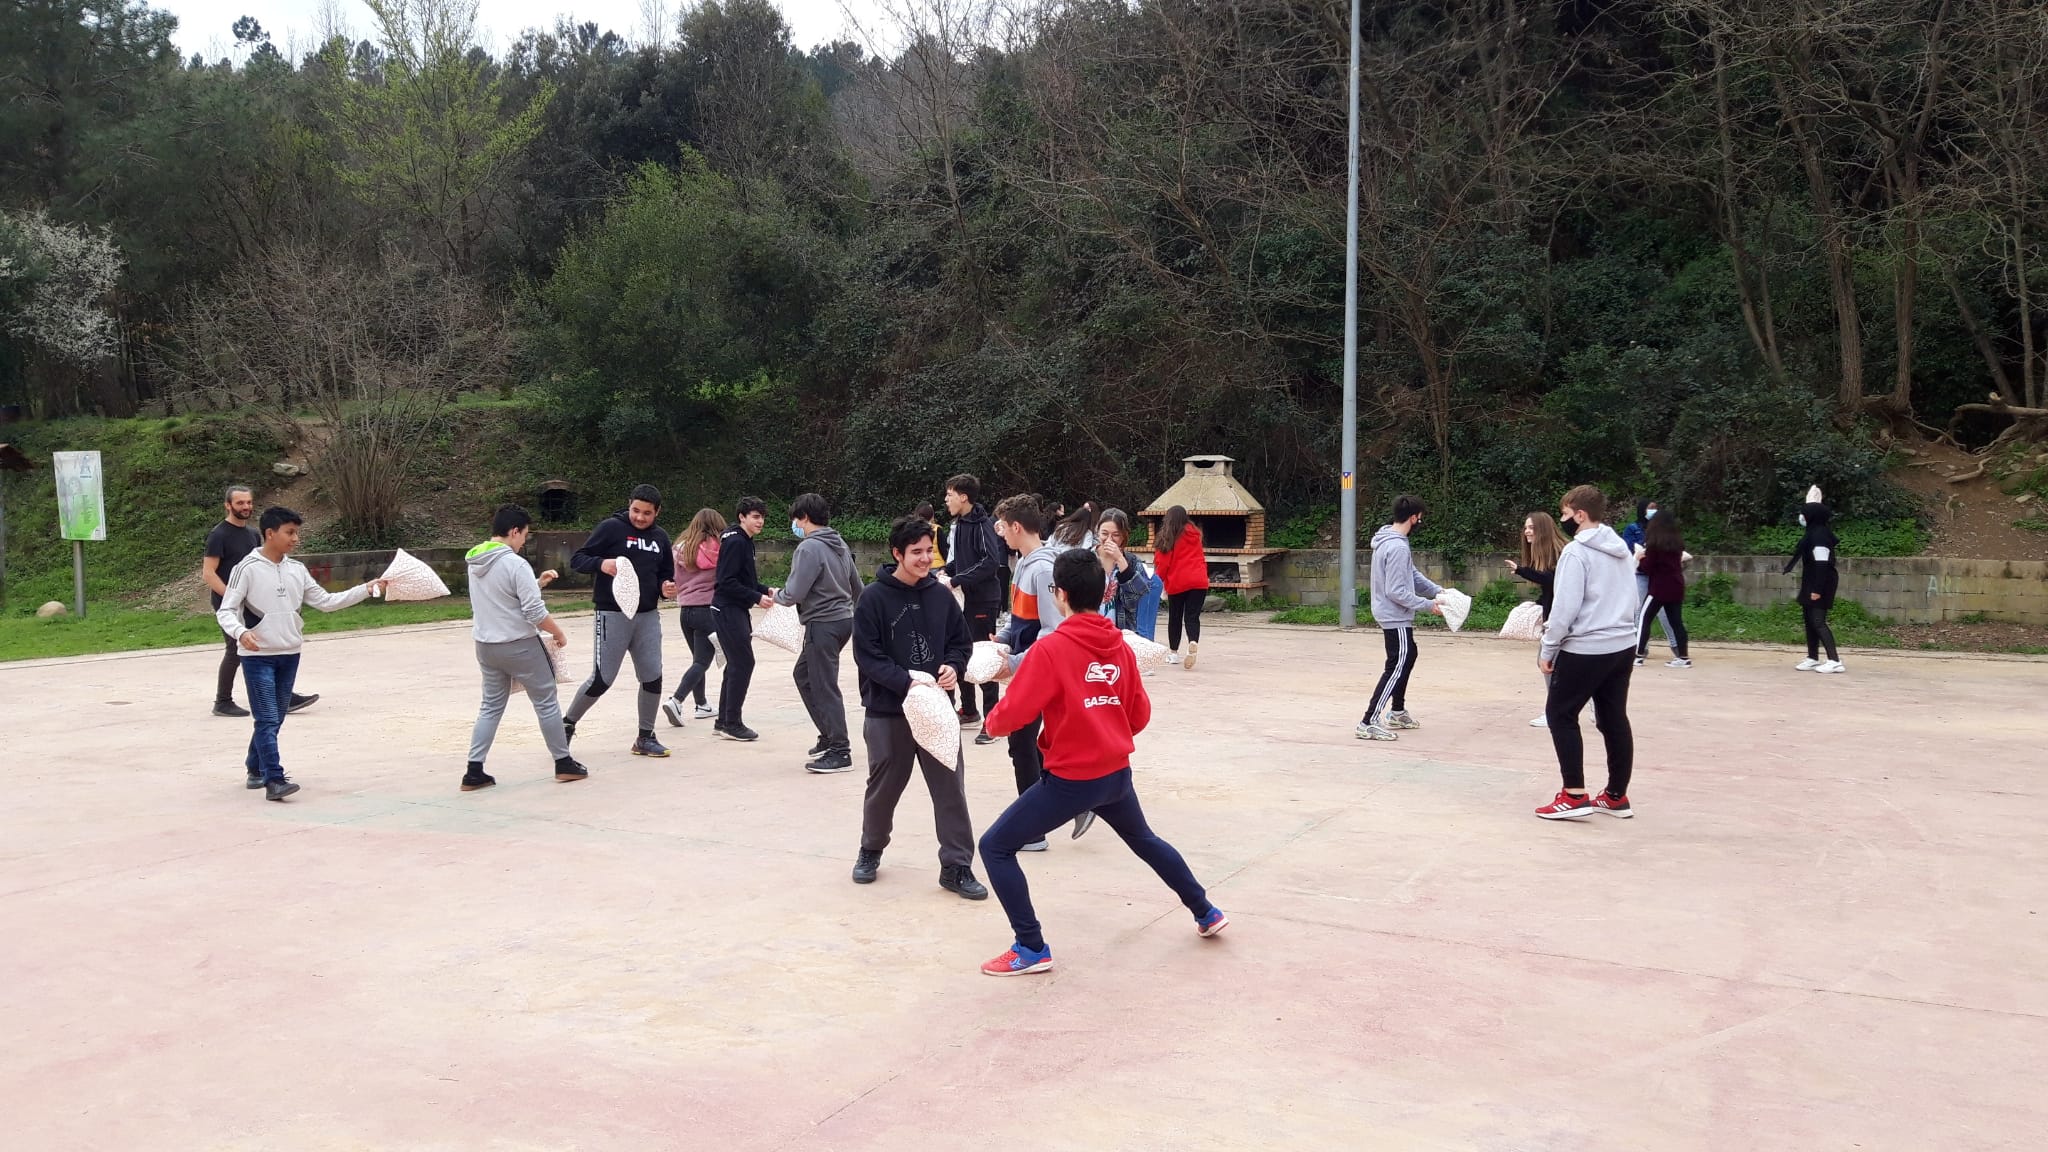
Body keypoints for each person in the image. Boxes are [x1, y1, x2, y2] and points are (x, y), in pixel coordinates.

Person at [977, 549, 1227, 976]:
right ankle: (1205, 910)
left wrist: (992, 718)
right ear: (1103, 592)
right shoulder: (1120, 646)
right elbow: (1139, 715)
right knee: (1145, 840)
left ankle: (1030, 947)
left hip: (1071, 779)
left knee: (994, 847)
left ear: (1059, 594)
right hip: (1115, 773)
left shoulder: (1050, 649)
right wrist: (1106, 729)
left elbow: (1013, 715)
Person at [848, 515, 988, 901]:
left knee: (950, 789)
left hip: (937, 711)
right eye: (917, 552)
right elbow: (868, 655)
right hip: (889, 711)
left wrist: (953, 667)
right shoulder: (873, 598)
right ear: (898, 554)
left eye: (929, 551)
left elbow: (961, 642)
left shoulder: (941, 596)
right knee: (883, 788)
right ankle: (871, 848)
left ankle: (957, 866)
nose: (926, 558)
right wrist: (907, 683)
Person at [214, 506, 384, 801]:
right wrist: (241, 632)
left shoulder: (297, 569)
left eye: (297, 533)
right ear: (270, 534)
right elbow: (226, 610)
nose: (296, 539)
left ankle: (254, 766)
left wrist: (365, 590)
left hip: (290, 653)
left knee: (275, 718)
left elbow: (327, 601)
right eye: (290, 532)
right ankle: (274, 780)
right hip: (257, 657)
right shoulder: (247, 568)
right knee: (267, 718)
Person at [462, 505, 588, 791]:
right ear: (514, 531)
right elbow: (534, 612)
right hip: (519, 644)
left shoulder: (475, 561)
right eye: (524, 536)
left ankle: (474, 770)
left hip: (486, 645)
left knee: (490, 706)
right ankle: (563, 762)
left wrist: (536, 583)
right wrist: (558, 632)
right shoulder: (515, 564)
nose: (523, 542)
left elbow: (502, 597)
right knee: (546, 701)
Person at [1535, 485, 1640, 820]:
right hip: (1622, 644)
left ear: (1580, 515)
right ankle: (1616, 796)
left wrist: (1548, 647)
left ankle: (1573, 794)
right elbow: (1634, 598)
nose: (1563, 519)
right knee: (1613, 718)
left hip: (1586, 647)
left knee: (1560, 714)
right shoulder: (1621, 549)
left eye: (1565, 514)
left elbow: (1564, 608)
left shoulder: (1576, 553)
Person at [563, 484, 677, 759]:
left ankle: (645, 737)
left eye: (647, 513)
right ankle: (566, 725)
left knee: (652, 676)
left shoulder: (660, 537)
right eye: (635, 510)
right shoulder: (611, 528)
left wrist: (666, 588)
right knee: (602, 679)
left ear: (657, 512)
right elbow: (578, 559)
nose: (640, 517)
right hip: (612, 614)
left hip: (647, 615)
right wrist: (602, 564)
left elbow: (666, 574)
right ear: (629, 505)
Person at [992, 495, 1076, 850]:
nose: (1000, 533)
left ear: (1016, 526)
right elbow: (1020, 617)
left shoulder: (1042, 570)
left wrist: (1015, 662)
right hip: (1027, 666)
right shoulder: (1024, 563)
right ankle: (1075, 798)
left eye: (1003, 526)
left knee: (1022, 743)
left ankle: (1033, 829)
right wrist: (1004, 638)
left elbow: (1052, 629)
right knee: (1029, 744)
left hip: (1038, 670)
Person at [203, 485, 317, 718]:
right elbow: (209, 573)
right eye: (240, 503)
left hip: (256, 601)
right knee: (236, 648)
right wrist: (235, 597)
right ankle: (223, 701)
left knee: (270, 645)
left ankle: (282, 695)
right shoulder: (219, 535)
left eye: (248, 502)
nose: (246, 507)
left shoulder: (253, 534)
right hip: (230, 602)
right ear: (228, 505)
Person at [779, 493, 864, 773]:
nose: (795, 526)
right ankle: (828, 734)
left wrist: (776, 596)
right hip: (843, 621)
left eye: (796, 520)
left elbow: (794, 593)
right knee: (803, 675)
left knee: (824, 685)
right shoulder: (838, 542)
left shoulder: (808, 548)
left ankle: (840, 750)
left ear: (804, 517)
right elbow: (857, 587)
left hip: (822, 624)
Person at [1358, 495, 1444, 741]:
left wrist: (1438, 591)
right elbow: (1396, 591)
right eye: (1420, 518)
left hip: (1391, 613)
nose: (1420, 522)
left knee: (1409, 655)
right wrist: (1428, 605)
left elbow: (1411, 574)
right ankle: (1368, 721)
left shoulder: (1391, 540)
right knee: (1396, 664)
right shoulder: (1396, 546)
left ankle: (1397, 712)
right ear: (1414, 518)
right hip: (1394, 615)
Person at [943, 473, 1005, 739]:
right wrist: (945, 571)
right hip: (964, 601)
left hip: (983, 600)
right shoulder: (959, 524)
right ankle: (968, 709)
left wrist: (956, 579)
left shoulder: (982, 524)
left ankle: (992, 721)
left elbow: (990, 562)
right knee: (960, 652)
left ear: (963, 497)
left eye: (950, 495)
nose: (946, 500)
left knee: (983, 657)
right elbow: (961, 561)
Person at [712, 496, 777, 741]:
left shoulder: (743, 540)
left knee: (736, 663)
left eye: (762, 517)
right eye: (755, 517)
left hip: (734, 608)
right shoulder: (736, 541)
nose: (760, 522)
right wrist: (756, 597)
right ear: (742, 517)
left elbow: (744, 580)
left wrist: (764, 590)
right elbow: (726, 581)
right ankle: (732, 723)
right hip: (727, 608)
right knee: (743, 663)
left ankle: (723, 720)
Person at [662, 508, 726, 726]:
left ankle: (702, 704)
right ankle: (676, 700)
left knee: (698, 660)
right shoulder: (720, 548)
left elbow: (673, 578)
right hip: (707, 610)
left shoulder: (681, 548)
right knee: (702, 661)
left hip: (685, 610)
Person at [1506, 511, 1569, 728]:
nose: (1527, 532)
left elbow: (1553, 580)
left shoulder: (1563, 553)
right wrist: (1539, 604)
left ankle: (1555, 713)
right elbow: (1551, 588)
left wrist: (1522, 571)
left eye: (1531, 527)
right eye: (1525, 527)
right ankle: (1586, 706)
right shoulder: (1550, 553)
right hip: (1557, 618)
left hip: (1565, 621)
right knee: (1555, 665)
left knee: (1548, 663)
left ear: (1543, 529)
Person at [1786, 498, 1845, 673]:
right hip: (1811, 580)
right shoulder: (1812, 533)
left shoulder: (1820, 536)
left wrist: (1817, 590)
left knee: (1818, 621)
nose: (1801, 517)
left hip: (1822, 582)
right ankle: (1813, 657)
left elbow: (1822, 564)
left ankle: (1835, 660)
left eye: (1804, 514)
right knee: (1809, 620)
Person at [1152, 505, 1209, 668]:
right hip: (1199, 581)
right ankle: (1192, 642)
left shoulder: (1167, 536)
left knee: (1175, 617)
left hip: (1178, 581)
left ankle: (1174, 653)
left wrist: (1158, 582)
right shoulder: (1195, 534)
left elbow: (1163, 563)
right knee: (1192, 617)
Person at [1635, 511, 1691, 668]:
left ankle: (1638, 655)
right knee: (1676, 622)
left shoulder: (1654, 544)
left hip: (1658, 588)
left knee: (1644, 619)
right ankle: (1683, 657)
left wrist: (1640, 559)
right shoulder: (1677, 544)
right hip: (1676, 586)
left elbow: (1647, 568)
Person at [1626, 498, 1679, 658]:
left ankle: (1676, 644)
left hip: (1658, 575)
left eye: (1655, 508)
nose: (1653, 511)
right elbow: (1628, 549)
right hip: (1641, 574)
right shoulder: (1633, 528)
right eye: (1650, 508)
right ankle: (1641, 647)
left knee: (1663, 611)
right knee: (1639, 610)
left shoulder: (1662, 529)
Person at [1095, 508, 1144, 630]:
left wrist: (1120, 560)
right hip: (1090, 629)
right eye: (1104, 534)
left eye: (1116, 535)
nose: (1109, 539)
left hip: (1120, 630)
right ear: (1097, 532)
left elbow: (1132, 603)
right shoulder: (1086, 558)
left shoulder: (1132, 562)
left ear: (1123, 536)